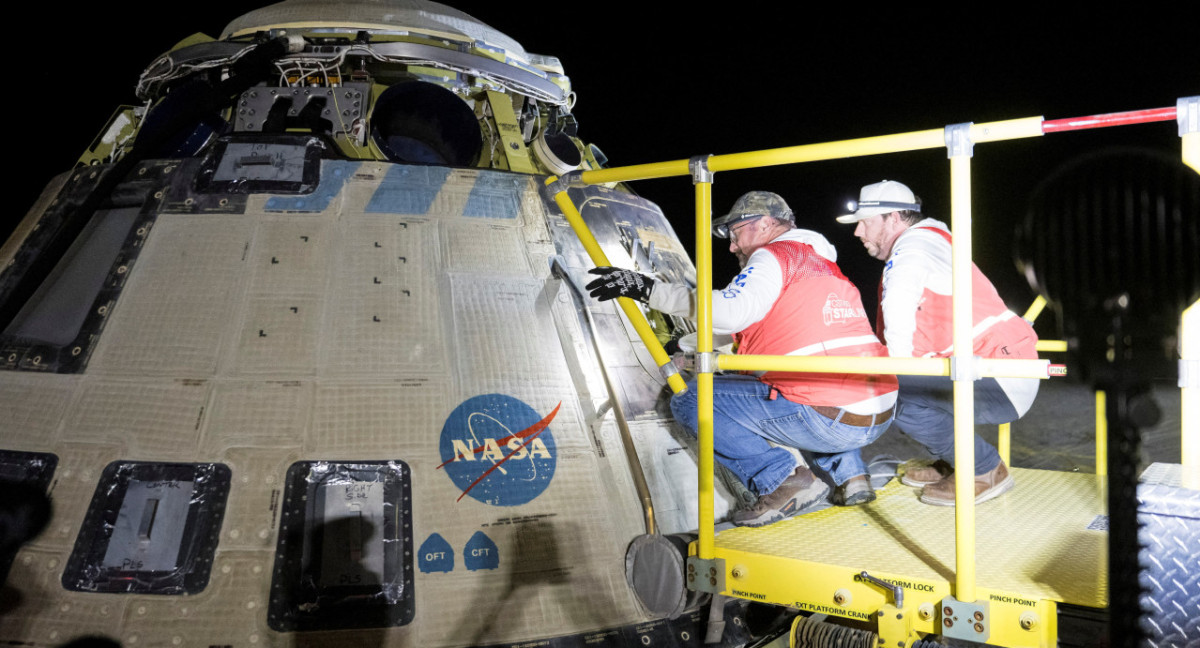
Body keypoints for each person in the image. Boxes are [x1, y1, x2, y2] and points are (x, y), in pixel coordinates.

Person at [586, 191, 898, 526]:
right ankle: (852, 479)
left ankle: (780, 480)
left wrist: (646, 289)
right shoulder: (820, 265)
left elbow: (732, 312)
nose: (733, 246)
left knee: (692, 399)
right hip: (878, 409)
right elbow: (748, 330)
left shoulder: (774, 255)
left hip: (829, 417)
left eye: (736, 234)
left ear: (765, 224)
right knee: (807, 385)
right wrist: (686, 345)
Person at [837, 180, 1039, 506]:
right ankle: (955, 462)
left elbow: (899, 302)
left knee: (896, 396)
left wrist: (895, 371)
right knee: (907, 388)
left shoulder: (914, 248)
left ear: (893, 218)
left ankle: (984, 470)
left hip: (998, 372)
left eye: (865, 222)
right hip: (999, 364)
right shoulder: (932, 241)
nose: (858, 232)